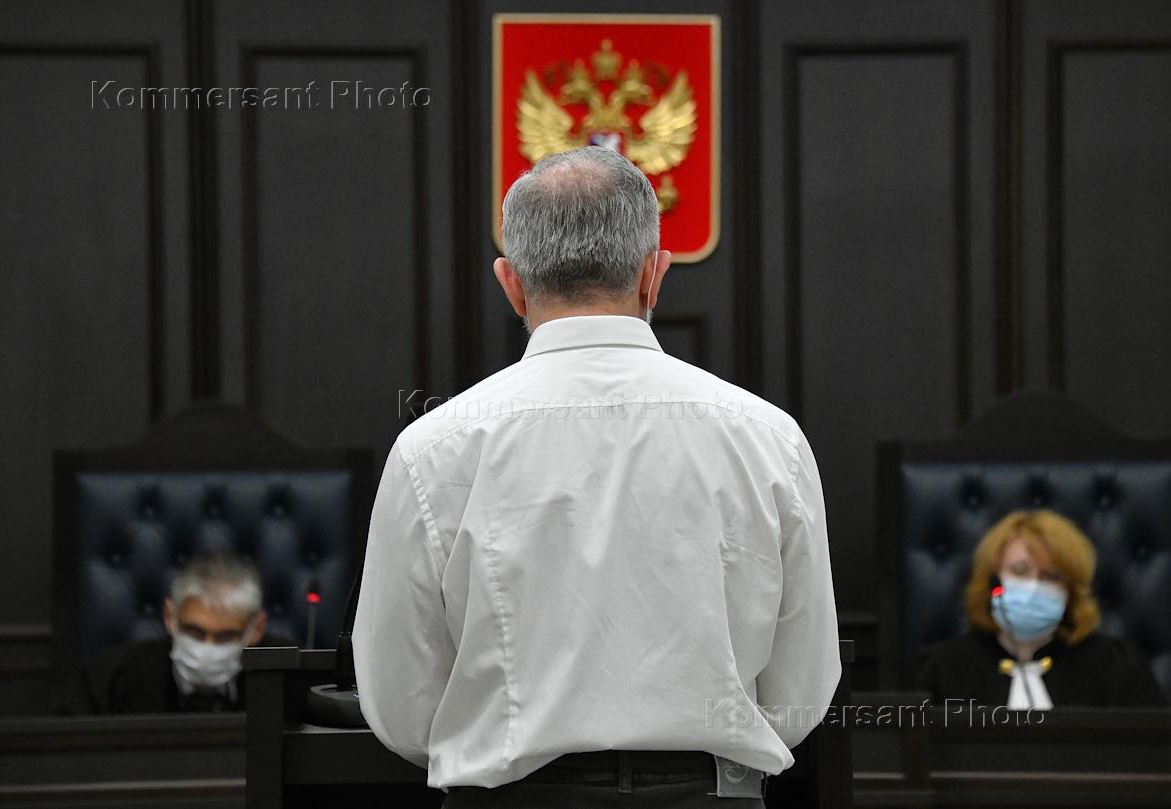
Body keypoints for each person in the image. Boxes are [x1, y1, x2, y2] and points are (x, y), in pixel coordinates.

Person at [352, 146, 841, 807]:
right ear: (653, 275)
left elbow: (401, 703)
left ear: (511, 284)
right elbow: (800, 690)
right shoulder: (769, 438)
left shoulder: (432, 448)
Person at [914, 509, 1166, 708]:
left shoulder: (1116, 666)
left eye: (1051, 576)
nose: (1033, 587)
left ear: (1070, 593)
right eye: (1019, 571)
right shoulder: (940, 669)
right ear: (992, 583)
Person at [56, 551, 287, 714]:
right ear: (170, 617)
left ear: (256, 629)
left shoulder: (290, 678)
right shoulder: (110, 678)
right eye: (195, 632)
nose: (207, 649)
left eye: (225, 637)